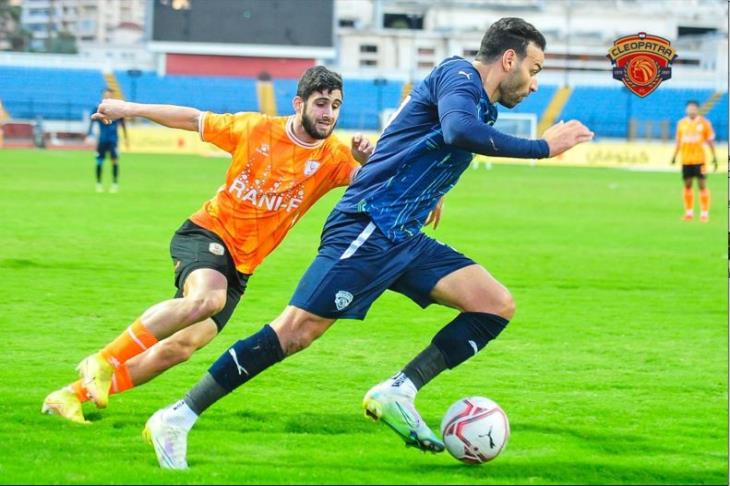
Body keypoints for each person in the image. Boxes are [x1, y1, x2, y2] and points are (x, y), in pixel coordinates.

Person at [143, 17, 594, 470]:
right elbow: (457, 131)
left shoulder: (481, 104)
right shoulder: (459, 76)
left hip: (404, 235)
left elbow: (415, 134)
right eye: (535, 69)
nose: (535, 84)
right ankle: (177, 417)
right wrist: (543, 147)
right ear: (509, 59)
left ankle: (399, 390)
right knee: (295, 332)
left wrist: (431, 188)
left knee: (494, 305)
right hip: (368, 224)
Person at [41, 66, 378, 424]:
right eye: (321, 103)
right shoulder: (256, 128)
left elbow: (379, 182)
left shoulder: (334, 157)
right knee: (206, 300)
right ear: (299, 104)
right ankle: (103, 360)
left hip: (242, 268)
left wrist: (367, 162)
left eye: (336, 106)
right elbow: (192, 119)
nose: (328, 113)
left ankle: (69, 396)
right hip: (207, 233)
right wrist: (128, 109)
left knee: (178, 349)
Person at [670, 100, 717, 222]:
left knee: (702, 185)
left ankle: (704, 213)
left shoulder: (705, 123)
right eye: (689, 109)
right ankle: (689, 212)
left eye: (694, 109)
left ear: (697, 110)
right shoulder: (681, 123)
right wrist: (674, 156)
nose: (691, 111)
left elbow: (710, 141)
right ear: (686, 110)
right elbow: (678, 141)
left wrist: (714, 156)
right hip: (686, 160)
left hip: (699, 160)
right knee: (687, 185)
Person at [87, 88, 130, 193]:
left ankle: (115, 184)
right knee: (99, 161)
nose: (108, 97)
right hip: (102, 139)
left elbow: (123, 124)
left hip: (113, 140)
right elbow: (92, 121)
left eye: (109, 95)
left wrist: (125, 138)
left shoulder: (117, 110)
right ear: (103, 96)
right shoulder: (97, 108)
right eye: (106, 95)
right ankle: (98, 184)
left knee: (114, 161)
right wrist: (89, 134)